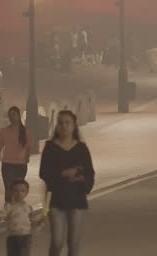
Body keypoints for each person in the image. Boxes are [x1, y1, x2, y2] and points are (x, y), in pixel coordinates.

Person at [39, 109, 94, 255]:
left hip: (77, 198)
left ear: (74, 125)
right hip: (55, 199)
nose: (64, 126)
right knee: (57, 241)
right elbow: (43, 172)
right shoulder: (50, 147)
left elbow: (89, 172)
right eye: (61, 123)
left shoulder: (81, 148)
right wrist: (62, 173)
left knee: (73, 243)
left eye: (67, 122)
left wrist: (81, 179)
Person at [0, 107, 33, 198]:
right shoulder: (4, 131)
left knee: (18, 190)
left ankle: (18, 206)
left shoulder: (26, 131)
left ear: (19, 115)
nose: (11, 117)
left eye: (14, 114)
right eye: (10, 115)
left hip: (21, 165)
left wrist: (27, 158)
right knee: (8, 189)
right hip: (7, 164)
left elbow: (29, 147)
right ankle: (8, 206)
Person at [3, 178, 42, 256]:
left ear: (26, 193)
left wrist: (39, 222)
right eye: (16, 190)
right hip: (12, 236)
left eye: (22, 191)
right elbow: (1, 216)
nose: (19, 193)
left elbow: (32, 221)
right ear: (11, 192)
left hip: (26, 236)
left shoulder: (28, 207)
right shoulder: (8, 206)